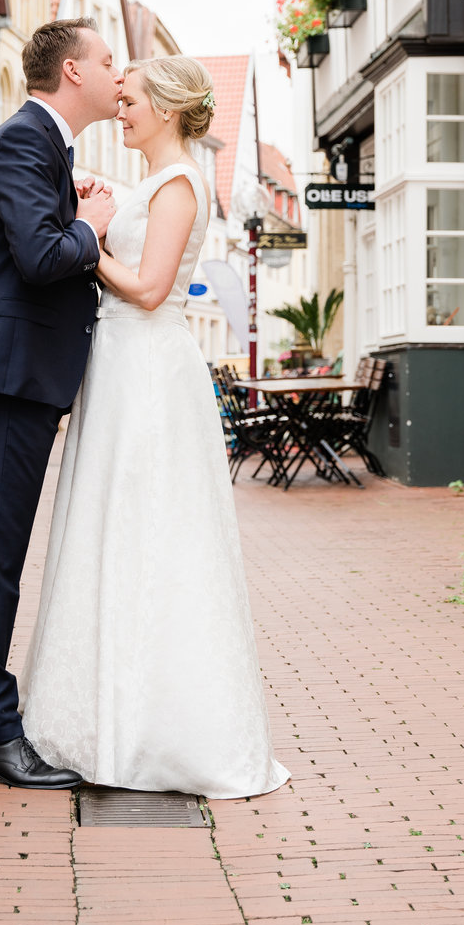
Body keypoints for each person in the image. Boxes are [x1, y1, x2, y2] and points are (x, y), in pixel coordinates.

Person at [20, 55, 290, 799]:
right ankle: (101, 713)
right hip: (122, 368)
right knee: (111, 524)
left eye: (132, 99)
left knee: (146, 526)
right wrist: (106, 208)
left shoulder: (178, 185)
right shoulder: (156, 183)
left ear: (167, 109)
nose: (122, 106)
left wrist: (88, 238)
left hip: (146, 370)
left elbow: (148, 289)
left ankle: (152, 725)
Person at [0, 17, 122, 790]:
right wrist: (90, 225)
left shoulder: (43, 152)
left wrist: (67, 201)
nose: (119, 73)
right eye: (108, 61)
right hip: (4, 374)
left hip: (16, 375)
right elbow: (41, 257)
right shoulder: (21, 142)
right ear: (72, 72)